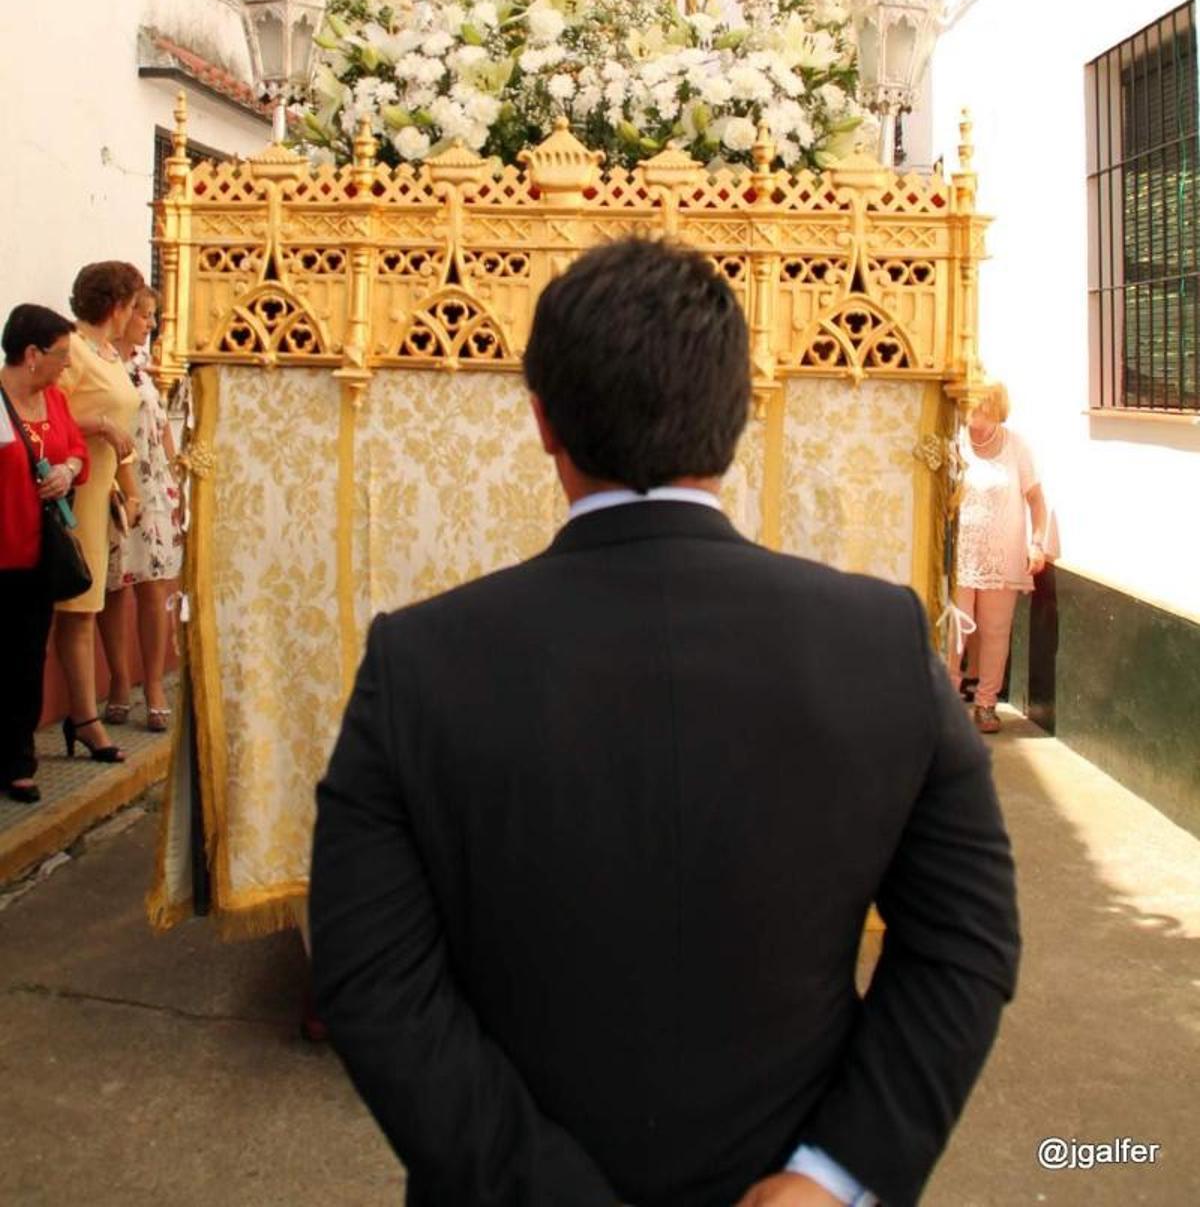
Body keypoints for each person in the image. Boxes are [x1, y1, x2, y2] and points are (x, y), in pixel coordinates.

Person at [311, 238, 1020, 1207]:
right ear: (737, 415)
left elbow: (371, 976)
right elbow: (967, 935)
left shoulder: (422, 662)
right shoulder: (877, 641)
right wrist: (835, 1174)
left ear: (542, 420)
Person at [54, 260, 145, 763]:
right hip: (76, 490)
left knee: (91, 604)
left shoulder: (107, 355)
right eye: (131, 305)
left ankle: (84, 713)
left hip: (102, 491)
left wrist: (129, 488)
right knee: (78, 609)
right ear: (116, 306)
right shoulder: (73, 350)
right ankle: (85, 716)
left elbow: (123, 430)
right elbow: (48, 414)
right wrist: (101, 427)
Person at [0, 305, 90, 804]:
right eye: (61, 354)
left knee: (27, 656)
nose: (67, 364)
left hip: (39, 552)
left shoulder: (54, 399)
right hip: (3, 546)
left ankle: (18, 761)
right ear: (32, 354)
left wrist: (67, 469)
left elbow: (77, 450)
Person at [101, 286, 182, 733]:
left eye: (153, 316)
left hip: (153, 485)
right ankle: (118, 680)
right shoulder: (99, 361)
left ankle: (152, 684)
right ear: (123, 312)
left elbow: (162, 425)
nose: (150, 324)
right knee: (115, 585)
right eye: (144, 315)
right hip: (115, 482)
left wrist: (175, 479)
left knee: (154, 586)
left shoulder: (146, 366)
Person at [950, 382, 1048, 736]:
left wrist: (1036, 543)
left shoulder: (1016, 446)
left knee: (995, 630)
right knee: (955, 627)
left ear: (996, 410)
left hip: (1002, 554)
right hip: (961, 554)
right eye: (971, 410)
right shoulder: (955, 441)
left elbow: (1036, 500)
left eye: (982, 411)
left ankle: (986, 703)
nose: (975, 419)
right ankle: (945, 702)